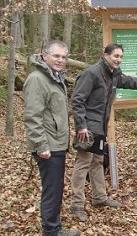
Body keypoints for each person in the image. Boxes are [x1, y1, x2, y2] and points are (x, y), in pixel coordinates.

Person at [70, 43, 137, 221]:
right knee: (83, 163)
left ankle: (99, 198)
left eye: (121, 57)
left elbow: (130, 81)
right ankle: (76, 205)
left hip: (100, 126)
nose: (118, 59)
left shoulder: (114, 74)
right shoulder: (91, 73)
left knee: (97, 160)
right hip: (88, 127)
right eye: (115, 56)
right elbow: (77, 100)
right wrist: (81, 125)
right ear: (105, 55)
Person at [23, 40, 80, 236]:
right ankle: (51, 231)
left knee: (55, 188)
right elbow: (32, 116)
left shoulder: (54, 77)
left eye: (64, 57)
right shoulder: (37, 79)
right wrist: (41, 145)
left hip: (57, 142)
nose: (60, 60)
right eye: (56, 56)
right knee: (52, 190)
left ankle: (53, 227)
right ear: (44, 55)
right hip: (48, 145)